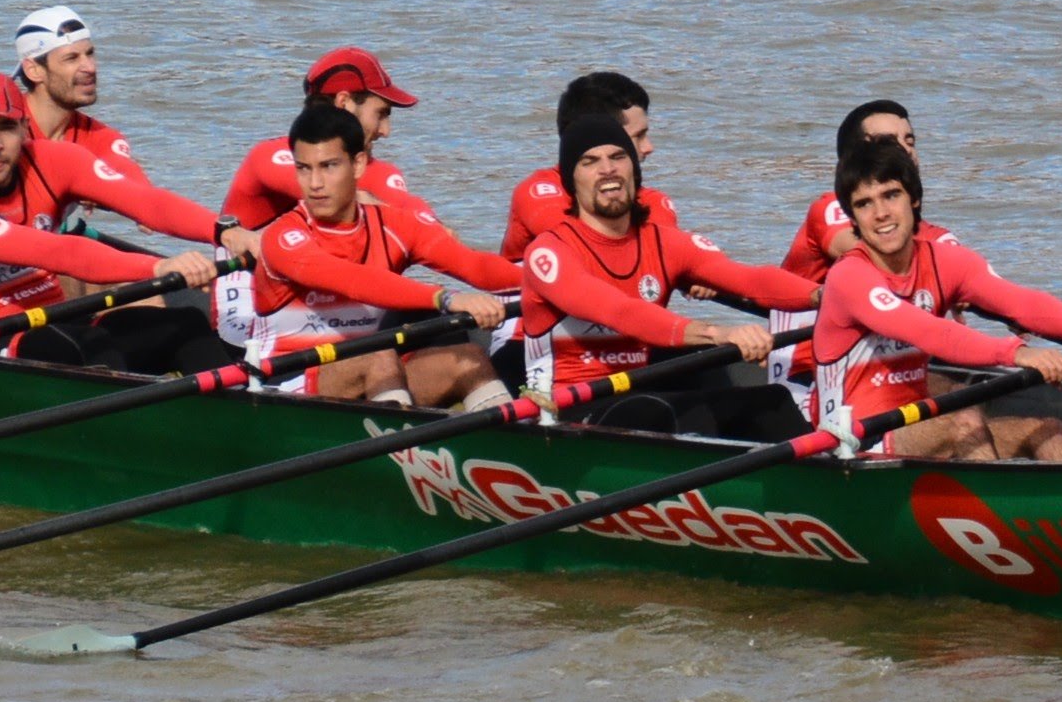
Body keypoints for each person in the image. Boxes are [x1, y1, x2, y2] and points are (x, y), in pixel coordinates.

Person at [514, 110, 814, 440]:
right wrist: (718, 333)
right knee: (674, 410)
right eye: (590, 161)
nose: (608, 168)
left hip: (638, 395)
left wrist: (826, 296)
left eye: (618, 156)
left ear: (633, 169)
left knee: (771, 401)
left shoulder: (663, 241)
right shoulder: (550, 251)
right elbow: (620, 311)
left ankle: (821, 481)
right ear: (572, 181)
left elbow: (751, 280)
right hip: (566, 412)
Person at [811, 139, 1062, 462]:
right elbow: (929, 332)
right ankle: (997, 512)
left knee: (1047, 428)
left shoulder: (943, 261)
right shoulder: (849, 276)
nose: (880, 213)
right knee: (965, 422)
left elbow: (1021, 302)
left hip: (912, 422)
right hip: (853, 436)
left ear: (914, 199)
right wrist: (1016, 353)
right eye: (864, 204)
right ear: (853, 218)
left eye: (891, 195)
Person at [3, 3, 252, 370]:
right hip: (0, 298)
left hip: (51, 280)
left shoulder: (99, 137)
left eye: (90, 53)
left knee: (165, 309)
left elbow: (143, 202)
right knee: (87, 267)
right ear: (33, 69)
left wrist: (226, 232)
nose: (90, 67)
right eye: (71, 58)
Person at [0, 73, 221, 357]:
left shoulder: (53, 160)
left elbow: (146, 202)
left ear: (25, 128)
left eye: (6, 128)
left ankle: (235, 404)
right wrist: (160, 267)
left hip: (57, 321)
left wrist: (226, 232)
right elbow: (59, 253)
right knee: (87, 346)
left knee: (187, 323)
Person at [249, 101, 513, 407]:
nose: (315, 184)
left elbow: (476, 266)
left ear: (358, 164)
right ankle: (404, 450)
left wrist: (547, 279)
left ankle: (518, 448)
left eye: (329, 166)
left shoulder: (394, 226)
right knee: (377, 354)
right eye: (304, 169)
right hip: (283, 383)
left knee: (469, 359)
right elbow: (353, 280)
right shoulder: (283, 237)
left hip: (369, 371)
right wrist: (447, 298)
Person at [215, 47, 443, 358]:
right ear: (344, 103)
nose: (386, 131)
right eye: (382, 113)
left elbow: (421, 216)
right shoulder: (272, 157)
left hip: (330, 312)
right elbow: (360, 197)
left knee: (434, 319)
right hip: (251, 327)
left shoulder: (380, 171)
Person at [503, 69, 676, 258]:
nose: (649, 147)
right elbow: (585, 248)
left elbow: (672, 251)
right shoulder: (537, 194)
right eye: (638, 136)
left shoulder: (655, 201)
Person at [780, 98, 917, 281]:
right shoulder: (831, 207)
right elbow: (874, 253)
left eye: (909, 142)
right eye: (888, 142)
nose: (906, 150)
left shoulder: (904, 213)